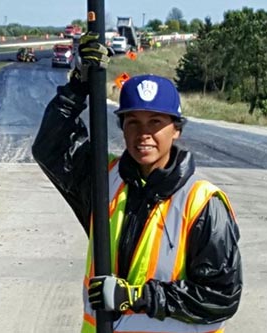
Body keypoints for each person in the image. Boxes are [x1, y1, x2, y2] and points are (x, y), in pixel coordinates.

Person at [32, 33, 242, 333]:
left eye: (156, 122)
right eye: (133, 123)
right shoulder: (104, 180)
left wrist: (138, 297)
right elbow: (50, 148)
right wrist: (80, 82)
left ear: (176, 130)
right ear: (123, 128)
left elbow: (221, 297)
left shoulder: (203, 205)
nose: (144, 134)